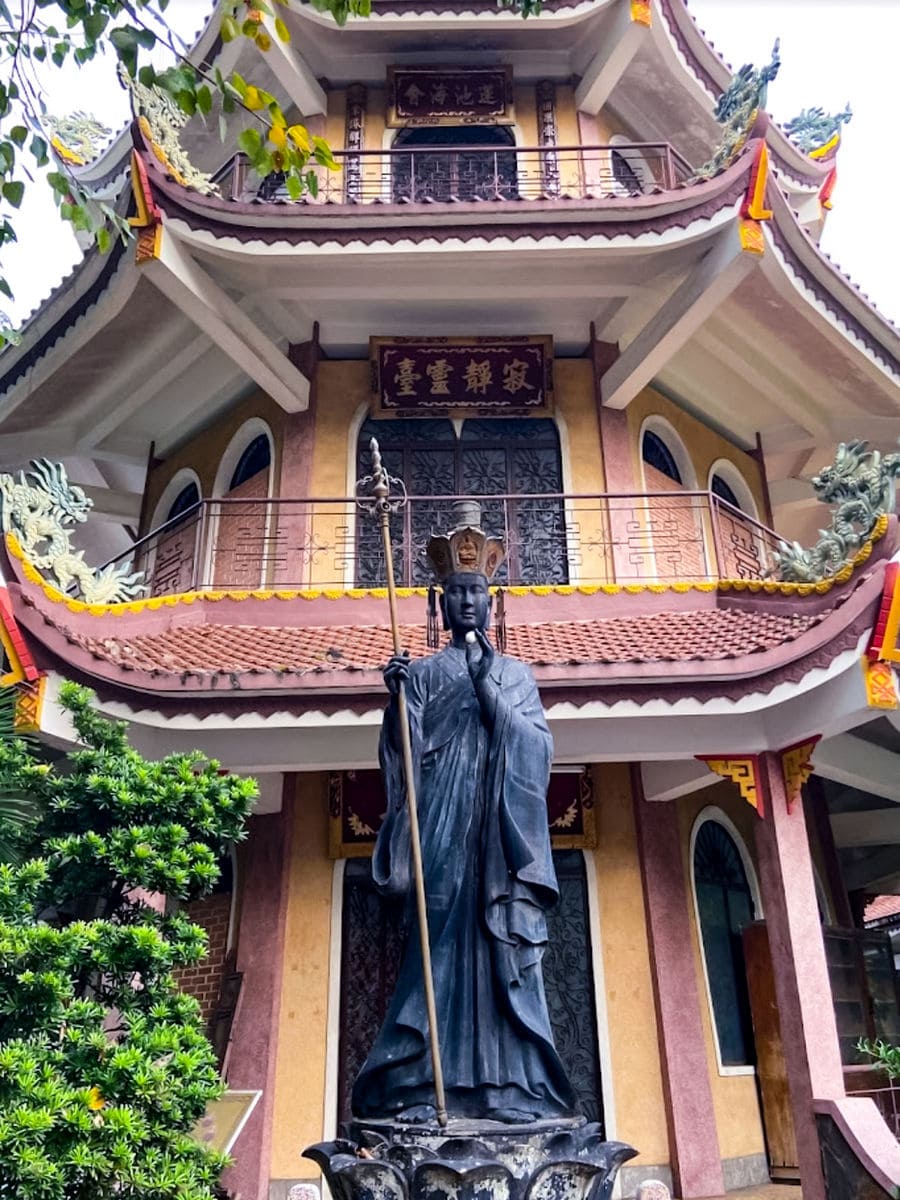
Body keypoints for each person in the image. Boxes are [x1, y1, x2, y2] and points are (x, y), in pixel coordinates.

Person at [351, 505, 575, 1125]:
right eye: (458, 593)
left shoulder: (515, 674)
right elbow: (404, 758)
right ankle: (425, 1082)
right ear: (441, 602)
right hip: (442, 829)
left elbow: (537, 748)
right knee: (439, 949)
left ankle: (510, 1086)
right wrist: (397, 704)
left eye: (478, 592)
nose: (469, 602)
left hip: (498, 835)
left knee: (498, 947)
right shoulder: (420, 674)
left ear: (491, 601)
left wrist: (487, 691)